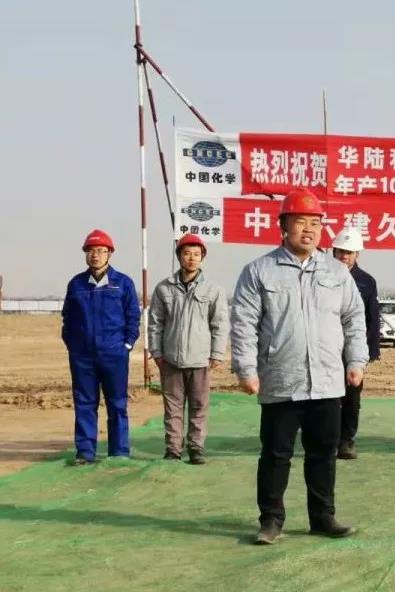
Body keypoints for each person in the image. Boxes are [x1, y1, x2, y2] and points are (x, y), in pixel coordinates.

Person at [230, 188, 369, 545]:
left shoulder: (337, 272)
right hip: (281, 380)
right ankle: (271, 521)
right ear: (283, 226)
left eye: (315, 223)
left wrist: (356, 360)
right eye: (300, 221)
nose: (308, 229)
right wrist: (246, 369)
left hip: (327, 380)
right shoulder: (259, 271)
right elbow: (244, 323)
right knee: (276, 455)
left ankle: (323, 517)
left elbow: (354, 319)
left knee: (323, 454)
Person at [148, 233, 229, 465]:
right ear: (179, 257)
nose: (192, 258)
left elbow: (220, 324)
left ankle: (196, 448)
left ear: (202, 257)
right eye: (187, 253)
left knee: (198, 406)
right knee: (172, 407)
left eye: (196, 254)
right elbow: (155, 323)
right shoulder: (164, 288)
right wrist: (156, 352)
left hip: (200, 359)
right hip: (171, 358)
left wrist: (217, 353)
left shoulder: (213, 289)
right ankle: (173, 449)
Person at [62, 229, 140, 464]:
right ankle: (85, 452)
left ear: (109, 254)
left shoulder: (123, 283)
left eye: (100, 251)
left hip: (114, 354)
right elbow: (67, 318)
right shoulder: (76, 284)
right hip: (83, 357)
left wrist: (126, 345)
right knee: (84, 403)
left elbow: (133, 317)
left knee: (117, 404)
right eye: (90, 251)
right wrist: (74, 347)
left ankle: (119, 452)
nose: (95, 255)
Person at [331, 227, 381, 460]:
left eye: (349, 252)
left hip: (352, 349)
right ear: (333, 251)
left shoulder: (366, 282)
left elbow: (372, 319)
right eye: (341, 251)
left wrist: (371, 350)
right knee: (326, 397)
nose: (344, 256)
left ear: (357, 255)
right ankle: (328, 439)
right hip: (326, 348)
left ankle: (346, 440)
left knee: (351, 397)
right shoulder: (321, 275)